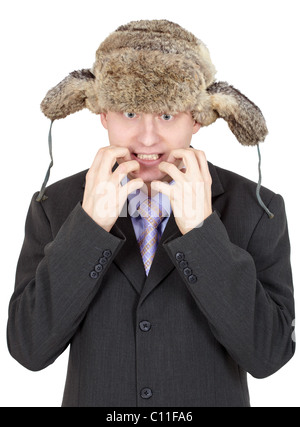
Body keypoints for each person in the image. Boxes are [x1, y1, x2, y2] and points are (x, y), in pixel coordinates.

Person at [7, 19, 295, 407]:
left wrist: (202, 235)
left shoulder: (258, 209)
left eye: (166, 115)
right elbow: (29, 350)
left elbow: (269, 356)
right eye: (129, 113)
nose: (147, 138)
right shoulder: (54, 207)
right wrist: (88, 230)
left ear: (196, 117)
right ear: (103, 114)